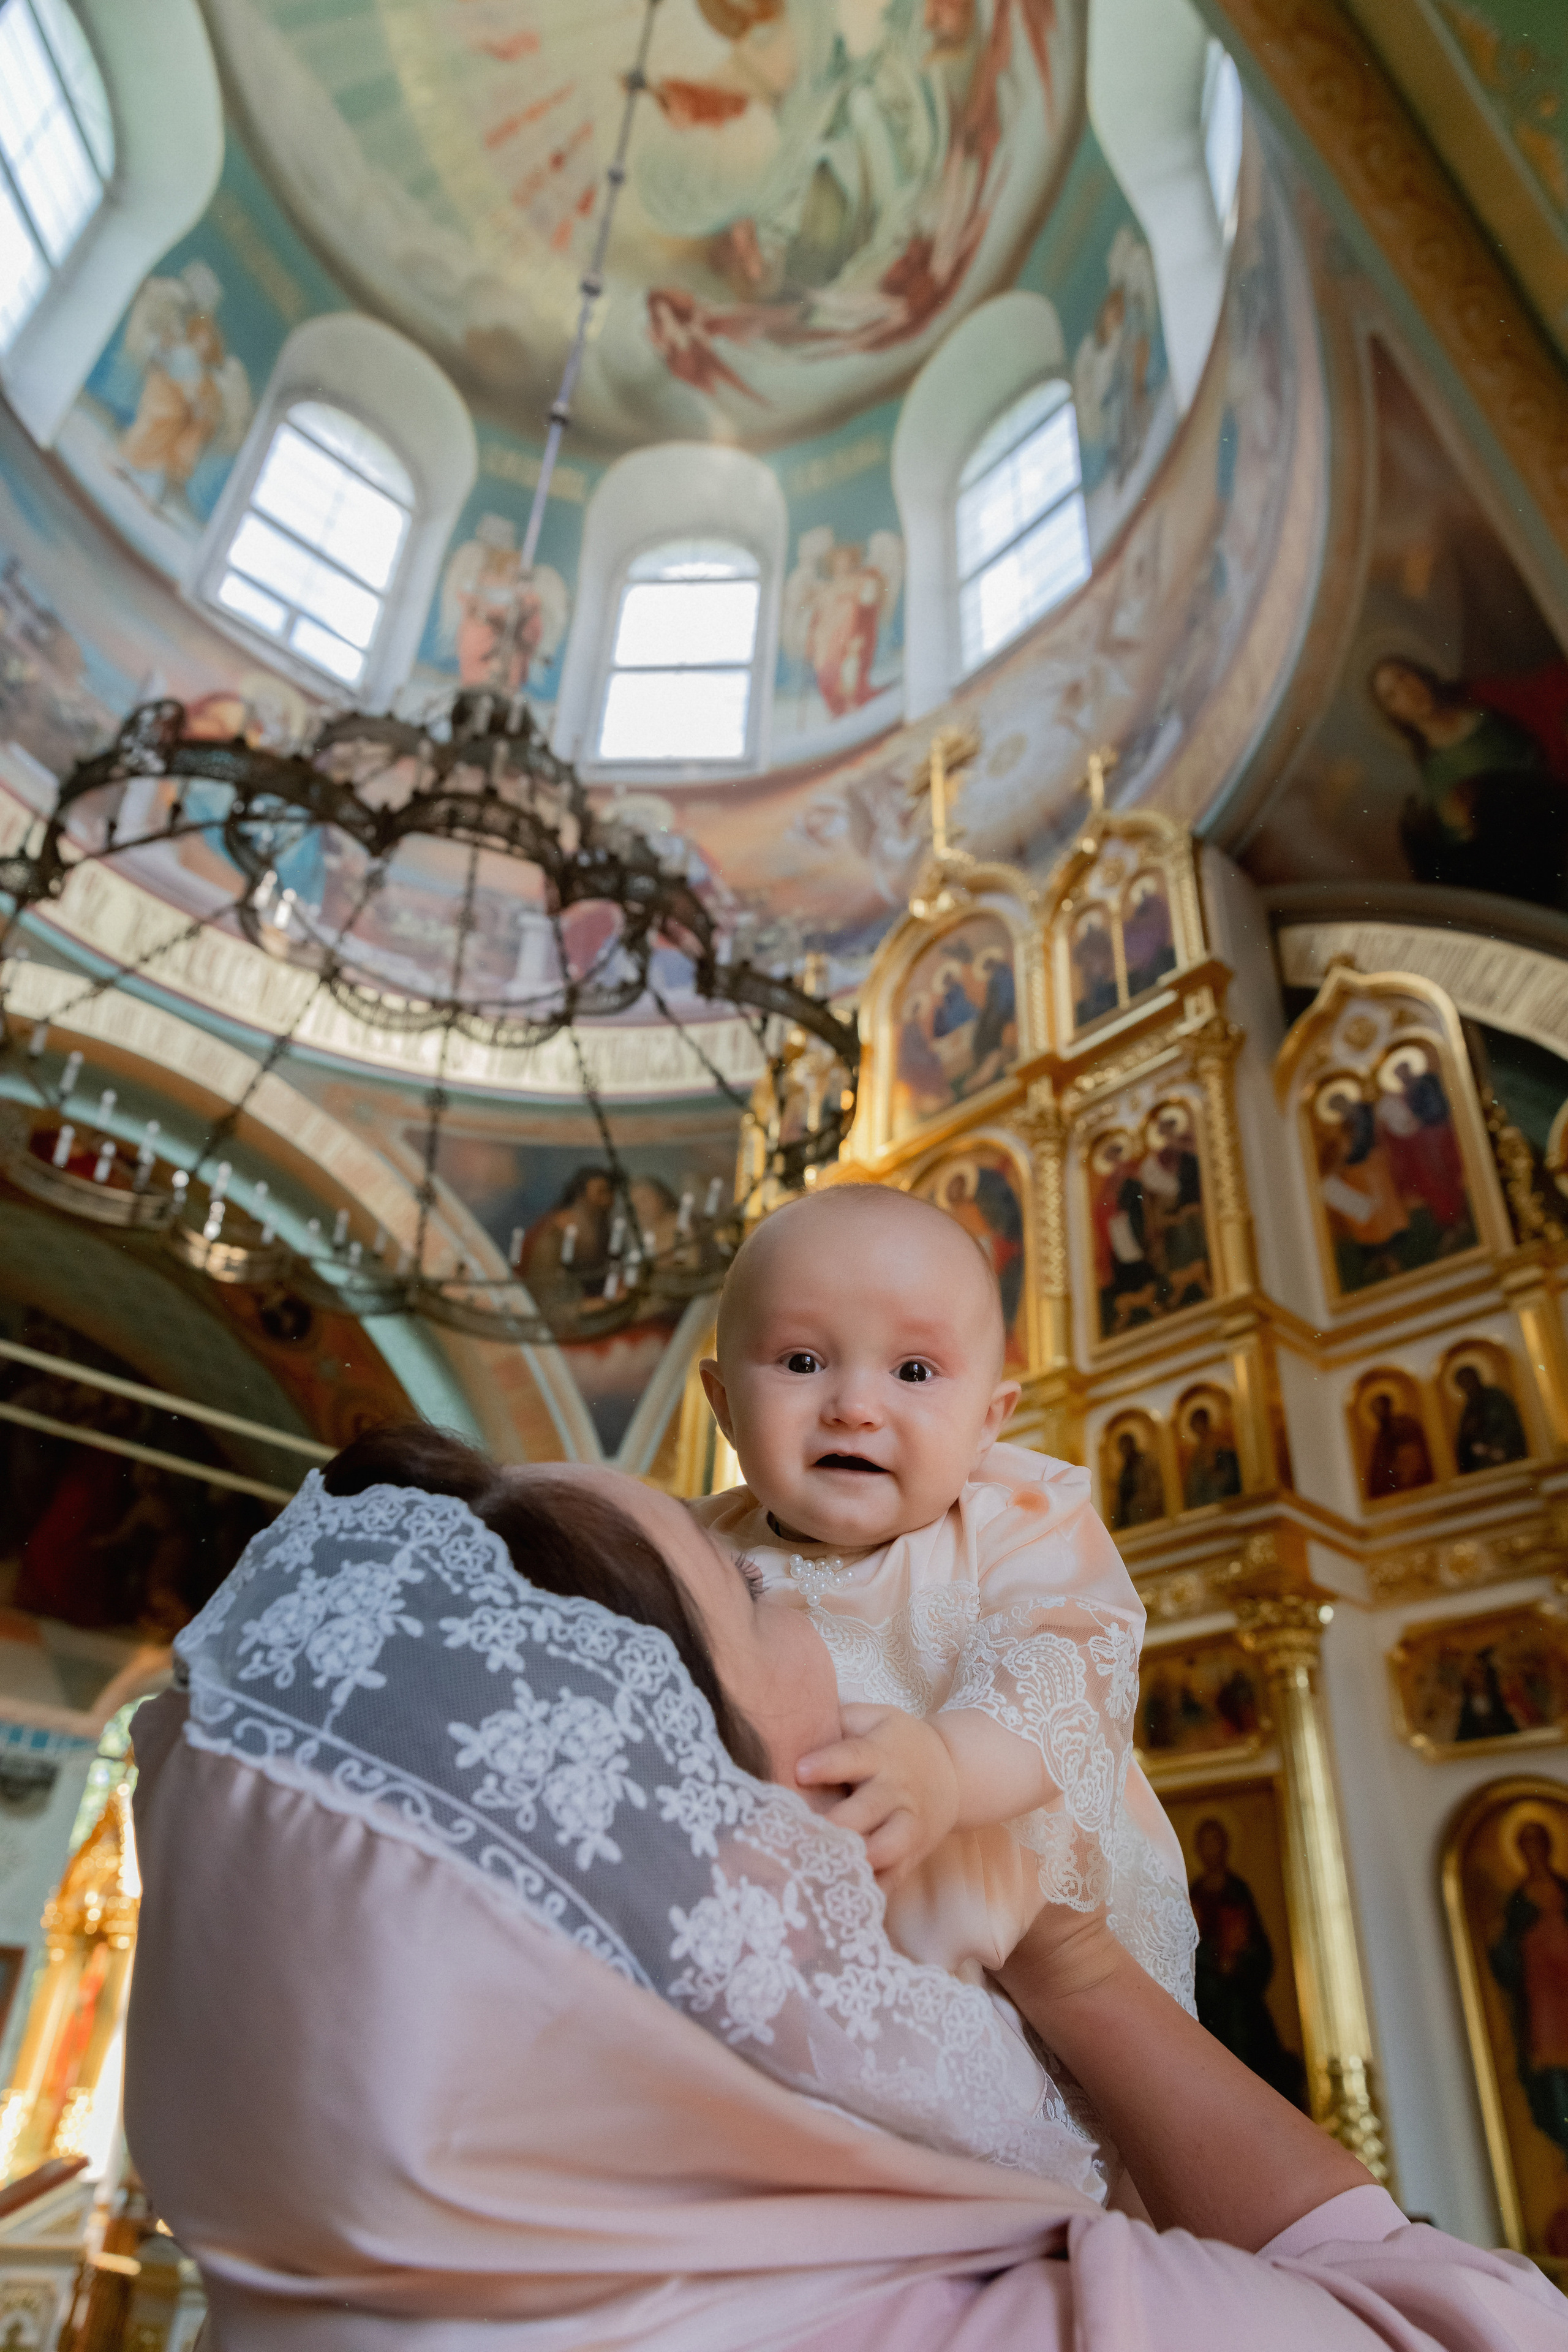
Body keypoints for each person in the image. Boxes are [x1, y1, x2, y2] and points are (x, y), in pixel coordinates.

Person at [124, 1433, 1568, 2348]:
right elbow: (1466, 2318)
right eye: (757, 1594)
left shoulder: (294, 2306)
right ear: (709, 1834)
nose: (812, 1604)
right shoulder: (998, 2317)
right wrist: (1075, 1970)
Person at [690, 1186, 1195, 2111]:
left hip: (1010, 1932)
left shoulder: (1019, 1524)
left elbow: (1069, 1665)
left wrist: (950, 1769)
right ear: (724, 1404)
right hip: (783, 1952)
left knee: (1070, 2143)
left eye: (914, 1373)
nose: (853, 1407)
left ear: (990, 1422)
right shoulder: (692, 1554)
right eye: (803, 1360)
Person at [1188, 1818, 1307, 2109]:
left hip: (1239, 1995)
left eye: (1217, 1841)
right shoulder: (1194, 1894)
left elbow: (1260, 1949)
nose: (1211, 1848)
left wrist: (1238, 1962)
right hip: (1205, 1997)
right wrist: (1213, 1959)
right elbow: (1184, 1947)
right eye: (1206, 1842)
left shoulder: (1239, 1891)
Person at [1453, 1363, 1529, 1474]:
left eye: (1469, 1381)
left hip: (1506, 1458)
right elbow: (1464, 1444)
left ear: (1476, 1378)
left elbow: (1510, 1427)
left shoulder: (1496, 1397)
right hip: (1482, 1467)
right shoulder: (1468, 1409)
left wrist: (1493, 1448)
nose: (1468, 1386)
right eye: (1463, 1384)